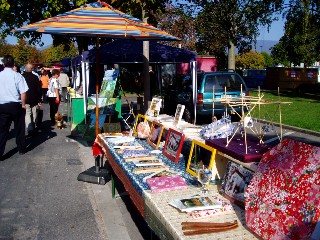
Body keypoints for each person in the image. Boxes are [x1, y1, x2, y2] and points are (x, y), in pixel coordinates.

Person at [0, 55, 29, 157]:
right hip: (15, 104)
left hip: (2, 105)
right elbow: (23, 92)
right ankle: (21, 148)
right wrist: (23, 104)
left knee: (3, 130)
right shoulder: (17, 76)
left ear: (3, 64)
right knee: (19, 128)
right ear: (13, 64)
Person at [23, 63, 42, 135]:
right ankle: (33, 125)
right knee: (34, 113)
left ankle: (29, 127)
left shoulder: (22, 77)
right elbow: (38, 89)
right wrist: (40, 99)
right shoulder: (35, 77)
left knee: (27, 113)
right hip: (35, 98)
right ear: (32, 69)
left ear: (25, 68)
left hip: (26, 98)